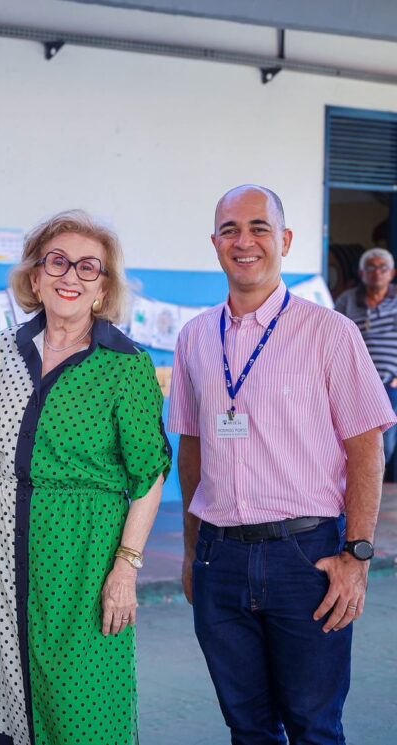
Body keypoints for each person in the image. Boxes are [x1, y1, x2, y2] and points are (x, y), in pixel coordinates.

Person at [169, 185, 395, 744]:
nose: (243, 241)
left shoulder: (330, 333)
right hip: (219, 560)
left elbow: (367, 449)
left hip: (307, 559)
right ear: (215, 242)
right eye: (229, 230)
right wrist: (195, 550)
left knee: (314, 727)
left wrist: (357, 556)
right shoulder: (195, 338)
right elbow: (193, 447)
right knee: (247, 728)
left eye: (258, 228)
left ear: (285, 240)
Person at [0, 209, 170, 745]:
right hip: (3, 545)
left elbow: (149, 475)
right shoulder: (1, 352)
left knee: (82, 701)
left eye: (87, 267)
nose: (70, 276)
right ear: (35, 278)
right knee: (9, 690)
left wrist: (125, 569)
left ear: (103, 289)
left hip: (84, 553)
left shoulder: (126, 364)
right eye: (57, 262)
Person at [334, 247, 397, 478]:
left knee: (384, 444)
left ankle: (372, 485)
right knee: (352, 440)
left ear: (391, 273)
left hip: (390, 384)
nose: (377, 272)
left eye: (383, 268)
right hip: (356, 383)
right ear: (362, 274)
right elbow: (334, 335)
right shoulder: (348, 300)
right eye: (371, 267)